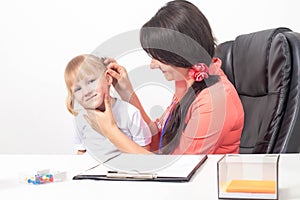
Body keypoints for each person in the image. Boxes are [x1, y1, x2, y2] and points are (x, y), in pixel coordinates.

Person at [85, 0, 244, 155]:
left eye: (158, 57)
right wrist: (127, 93)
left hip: (200, 181)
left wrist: (111, 131)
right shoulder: (187, 82)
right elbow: (158, 140)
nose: (152, 65)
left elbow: (177, 170)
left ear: (181, 52)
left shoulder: (215, 100)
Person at [64, 54, 152, 160]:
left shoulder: (130, 113)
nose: (86, 92)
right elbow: (81, 151)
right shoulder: (80, 118)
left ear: (108, 78)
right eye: (78, 89)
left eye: (91, 81)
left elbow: (146, 153)